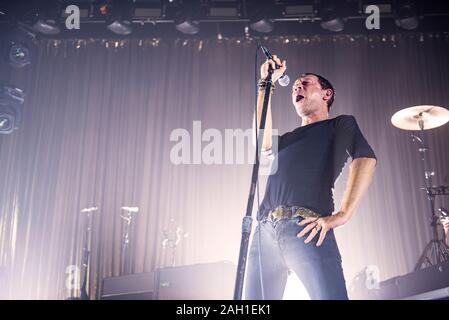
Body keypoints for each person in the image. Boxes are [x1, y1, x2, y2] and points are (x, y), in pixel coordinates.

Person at [245, 54, 377, 300]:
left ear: (327, 94)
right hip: (263, 232)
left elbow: (366, 158)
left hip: (306, 227)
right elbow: (258, 141)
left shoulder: (340, 124)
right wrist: (266, 84)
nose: (297, 85)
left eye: (305, 82)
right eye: (295, 85)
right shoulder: (285, 140)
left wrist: (343, 214)